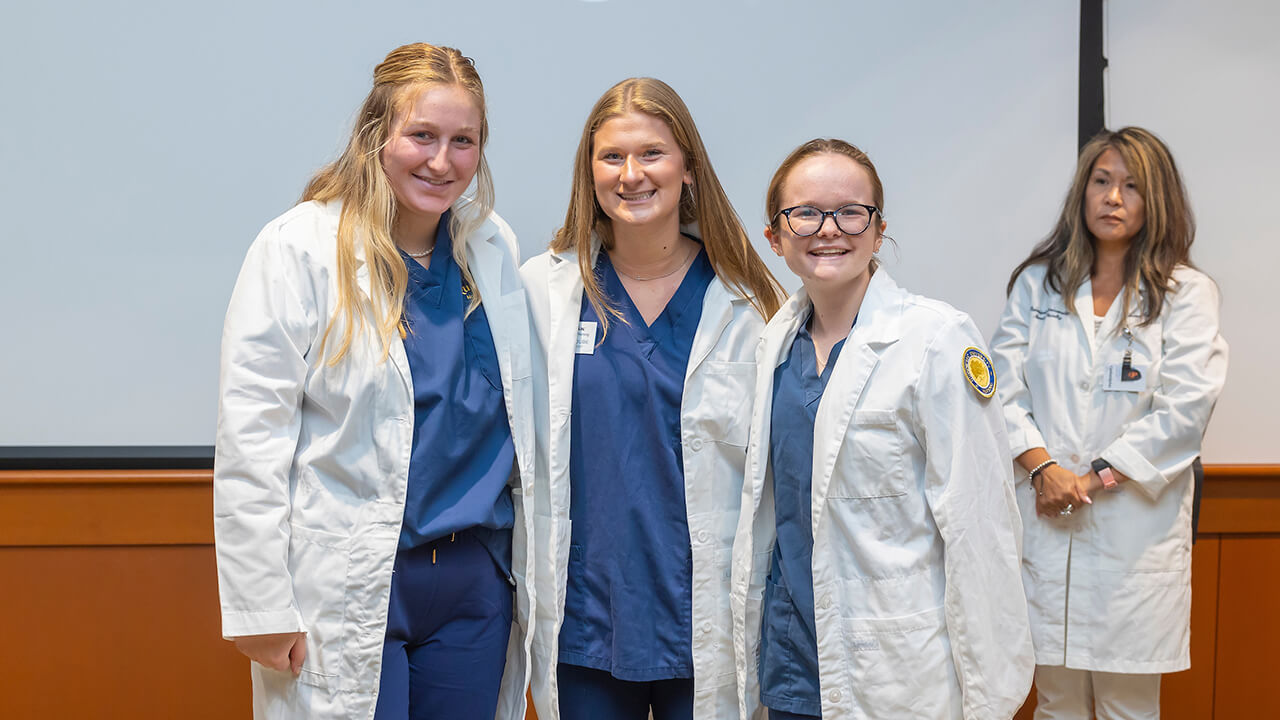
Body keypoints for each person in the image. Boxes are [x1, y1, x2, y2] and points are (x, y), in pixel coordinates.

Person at [213, 43, 535, 720]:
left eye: (463, 141)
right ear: (375, 137)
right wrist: (260, 602)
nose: (441, 162)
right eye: (421, 135)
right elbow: (253, 434)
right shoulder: (299, 247)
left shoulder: (490, 245)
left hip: (474, 584)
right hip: (354, 576)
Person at [730, 138, 1034, 720]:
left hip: (898, 671)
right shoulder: (774, 343)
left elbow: (980, 527)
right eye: (806, 213)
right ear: (775, 237)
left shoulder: (937, 340)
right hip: (793, 664)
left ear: (878, 229)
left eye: (851, 212)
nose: (829, 229)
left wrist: (992, 697)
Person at [520, 77, 784, 720]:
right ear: (590, 173)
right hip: (585, 620)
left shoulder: (749, 305)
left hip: (703, 616)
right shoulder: (542, 291)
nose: (632, 174)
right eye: (612, 157)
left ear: (688, 169)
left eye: (653, 154)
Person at [990, 127, 1228, 719]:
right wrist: (1044, 470)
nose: (1113, 197)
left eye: (1130, 186)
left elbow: (1184, 411)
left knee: (1128, 706)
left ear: (1157, 201)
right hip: (1047, 522)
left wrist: (1090, 481)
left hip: (1131, 535)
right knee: (1056, 703)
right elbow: (999, 388)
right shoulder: (1038, 285)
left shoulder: (1186, 294)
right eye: (1101, 182)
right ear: (1083, 192)